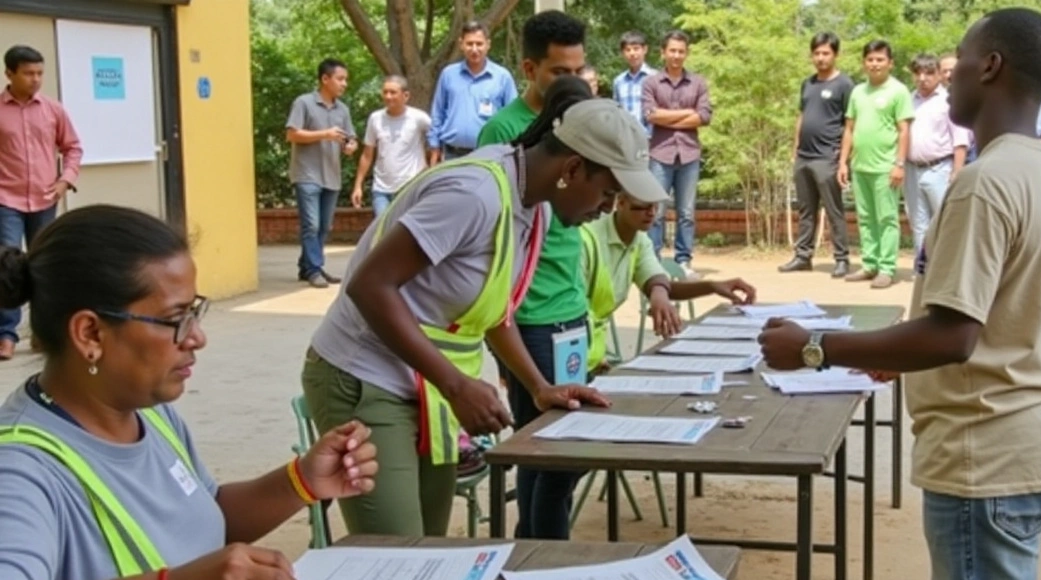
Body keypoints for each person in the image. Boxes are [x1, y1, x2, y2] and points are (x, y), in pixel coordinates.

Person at [759, 9, 1041, 580]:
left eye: (960, 63)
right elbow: (1001, 322)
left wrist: (816, 348)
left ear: (992, 66)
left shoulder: (983, 182)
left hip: (985, 456)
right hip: (1028, 442)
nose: (946, 79)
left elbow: (954, 335)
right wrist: (904, 356)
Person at [0, 204, 378, 580]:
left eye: (194, 314)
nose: (197, 337)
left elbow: (202, 516)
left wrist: (300, 482)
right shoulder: (22, 467)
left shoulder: (149, 416)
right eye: (175, 320)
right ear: (90, 334)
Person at [303, 77, 664, 541]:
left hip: (427, 384)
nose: (607, 208)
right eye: (608, 193)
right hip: (364, 375)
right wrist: (456, 385)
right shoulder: (474, 194)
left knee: (427, 548)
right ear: (572, 168)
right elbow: (370, 286)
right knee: (393, 557)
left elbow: (494, 311)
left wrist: (538, 387)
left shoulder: (535, 206)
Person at [475, 13, 600, 540]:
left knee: (565, 450)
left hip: (571, 311)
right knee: (546, 454)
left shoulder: (587, 121)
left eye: (579, 71)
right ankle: (542, 555)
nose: (571, 84)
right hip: (525, 315)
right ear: (529, 68)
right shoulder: (504, 133)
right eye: (557, 73)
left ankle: (536, 546)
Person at [581, 194, 756, 372]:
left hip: (591, 357)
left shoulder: (639, 239)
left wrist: (711, 286)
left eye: (655, 207)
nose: (651, 213)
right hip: (577, 357)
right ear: (621, 203)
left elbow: (656, 279)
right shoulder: (587, 239)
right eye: (642, 206)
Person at [0, 45, 82, 361]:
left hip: (46, 199)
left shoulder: (53, 110)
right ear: (10, 74)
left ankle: (42, 333)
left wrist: (65, 180)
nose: (35, 79)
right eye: (28, 73)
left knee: (45, 266)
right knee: (7, 269)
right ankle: (6, 336)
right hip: (6, 200)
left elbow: (73, 148)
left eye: (39, 73)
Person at [778, 32, 855, 278]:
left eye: (826, 53)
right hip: (804, 157)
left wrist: (843, 159)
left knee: (834, 210)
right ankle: (803, 256)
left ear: (835, 55)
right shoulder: (807, 84)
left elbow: (850, 124)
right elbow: (802, 116)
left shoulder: (845, 85)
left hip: (827, 157)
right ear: (811, 55)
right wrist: (795, 148)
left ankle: (842, 259)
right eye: (817, 53)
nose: (821, 58)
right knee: (805, 210)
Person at [843, 39, 913, 289]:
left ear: (890, 63)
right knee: (864, 217)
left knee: (886, 219)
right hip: (860, 166)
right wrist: (843, 162)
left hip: (886, 167)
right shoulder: (857, 92)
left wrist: (899, 164)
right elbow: (849, 129)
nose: (875, 64)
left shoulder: (898, 91)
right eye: (870, 59)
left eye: (880, 59)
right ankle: (869, 264)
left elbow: (904, 130)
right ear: (864, 63)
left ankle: (886, 268)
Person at [642, 30, 713, 277]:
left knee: (686, 213)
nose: (676, 55)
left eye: (681, 51)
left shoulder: (698, 83)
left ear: (687, 53)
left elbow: (703, 116)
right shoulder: (651, 83)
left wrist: (666, 117)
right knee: (656, 211)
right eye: (672, 50)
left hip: (689, 156)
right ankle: (653, 263)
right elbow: (650, 115)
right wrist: (686, 115)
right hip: (660, 154)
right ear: (663, 52)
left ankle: (684, 261)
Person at [286, 58, 358, 289]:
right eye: (340, 79)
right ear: (325, 79)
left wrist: (350, 146)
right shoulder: (304, 103)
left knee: (325, 226)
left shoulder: (343, 109)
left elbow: (351, 138)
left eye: (345, 79)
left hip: (332, 175)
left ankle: (306, 266)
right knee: (311, 224)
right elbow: (292, 134)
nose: (344, 84)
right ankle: (315, 269)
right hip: (307, 174)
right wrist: (324, 134)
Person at [902, 53, 968, 258]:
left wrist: (957, 171)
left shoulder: (949, 101)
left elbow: (960, 139)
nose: (922, 78)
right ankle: (923, 269)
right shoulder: (908, 100)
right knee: (919, 223)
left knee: (945, 221)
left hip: (940, 169)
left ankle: (947, 269)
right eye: (918, 73)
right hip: (912, 169)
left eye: (929, 73)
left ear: (939, 75)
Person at [427, 21, 517, 165]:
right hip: (452, 154)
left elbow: (513, 117)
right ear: (461, 44)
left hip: (490, 155)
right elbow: (438, 113)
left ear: (488, 44)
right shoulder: (449, 74)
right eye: (469, 44)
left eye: (479, 44)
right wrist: (434, 147)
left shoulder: (502, 77)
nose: (474, 49)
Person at [351, 75, 432, 217]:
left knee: (405, 232)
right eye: (385, 92)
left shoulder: (419, 118)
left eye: (393, 92)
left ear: (405, 95)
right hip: (381, 189)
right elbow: (367, 154)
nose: (388, 96)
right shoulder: (375, 118)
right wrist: (358, 186)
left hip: (410, 186)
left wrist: (430, 168)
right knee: (383, 232)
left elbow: (436, 141)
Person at [613, 31, 655, 134]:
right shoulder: (619, 81)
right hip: (627, 138)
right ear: (623, 53)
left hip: (651, 138)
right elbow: (617, 111)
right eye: (628, 50)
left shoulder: (655, 78)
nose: (632, 53)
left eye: (636, 49)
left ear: (645, 49)